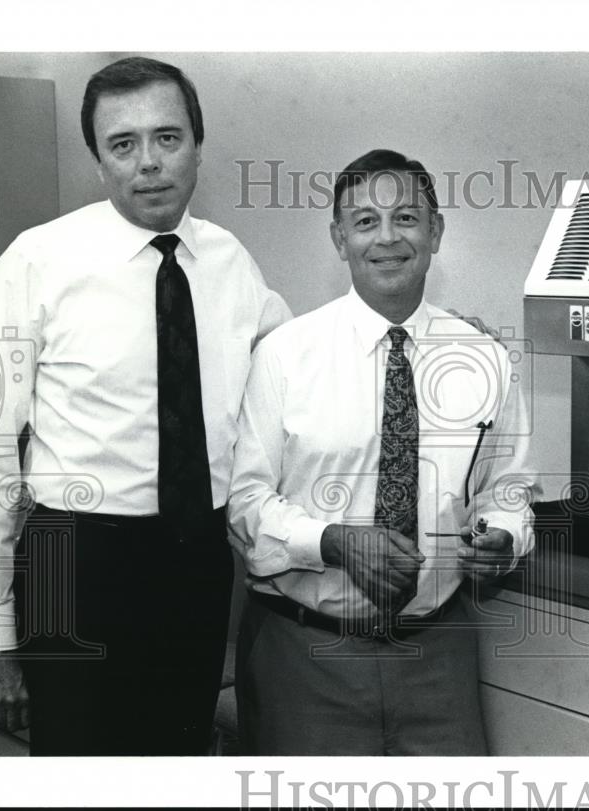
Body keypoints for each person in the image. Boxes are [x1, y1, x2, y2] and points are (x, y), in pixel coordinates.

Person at [0, 56, 291, 755]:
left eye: (168, 138)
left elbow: (302, 363)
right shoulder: (36, 262)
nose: (149, 163)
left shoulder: (230, 261)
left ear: (198, 146)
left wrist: (424, 336)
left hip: (196, 558)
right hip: (69, 559)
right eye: (123, 144)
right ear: (97, 161)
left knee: (175, 758)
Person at [226, 148, 537, 755]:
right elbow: (244, 505)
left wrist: (503, 537)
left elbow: (507, 489)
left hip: (437, 654)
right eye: (366, 221)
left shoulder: (485, 358)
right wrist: (334, 541)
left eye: (407, 219)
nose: (388, 238)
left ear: (437, 230)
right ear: (339, 238)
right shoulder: (285, 356)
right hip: (307, 654)